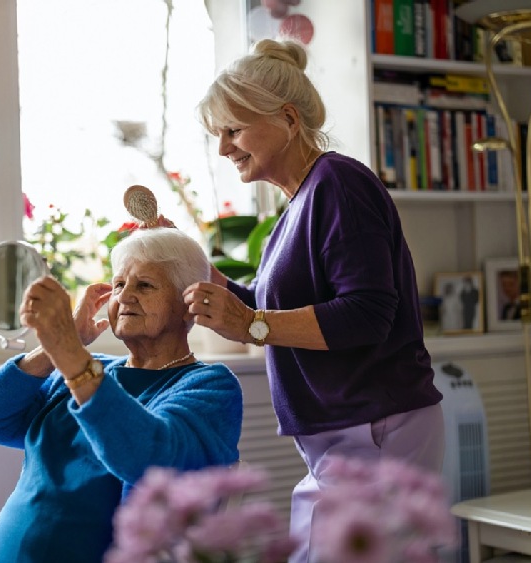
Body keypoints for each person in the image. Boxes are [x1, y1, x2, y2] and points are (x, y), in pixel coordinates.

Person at [186, 37, 444, 563]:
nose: (223, 148)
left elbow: (367, 314)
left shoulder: (339, 185)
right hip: (343, 436)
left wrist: (252, 324)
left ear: (286, 118)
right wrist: (189, 263)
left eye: (233, 130)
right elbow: (264, 306)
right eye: (218, 135)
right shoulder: (298, 205)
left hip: (377, 427)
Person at [0, 227, 243, 563]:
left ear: (187, 304)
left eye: (145, 285)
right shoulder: (84, 368)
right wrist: (56, 351)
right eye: (119, 285)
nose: (124, 297)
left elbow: (148, 458)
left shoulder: (208, 385)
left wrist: (71, 356)